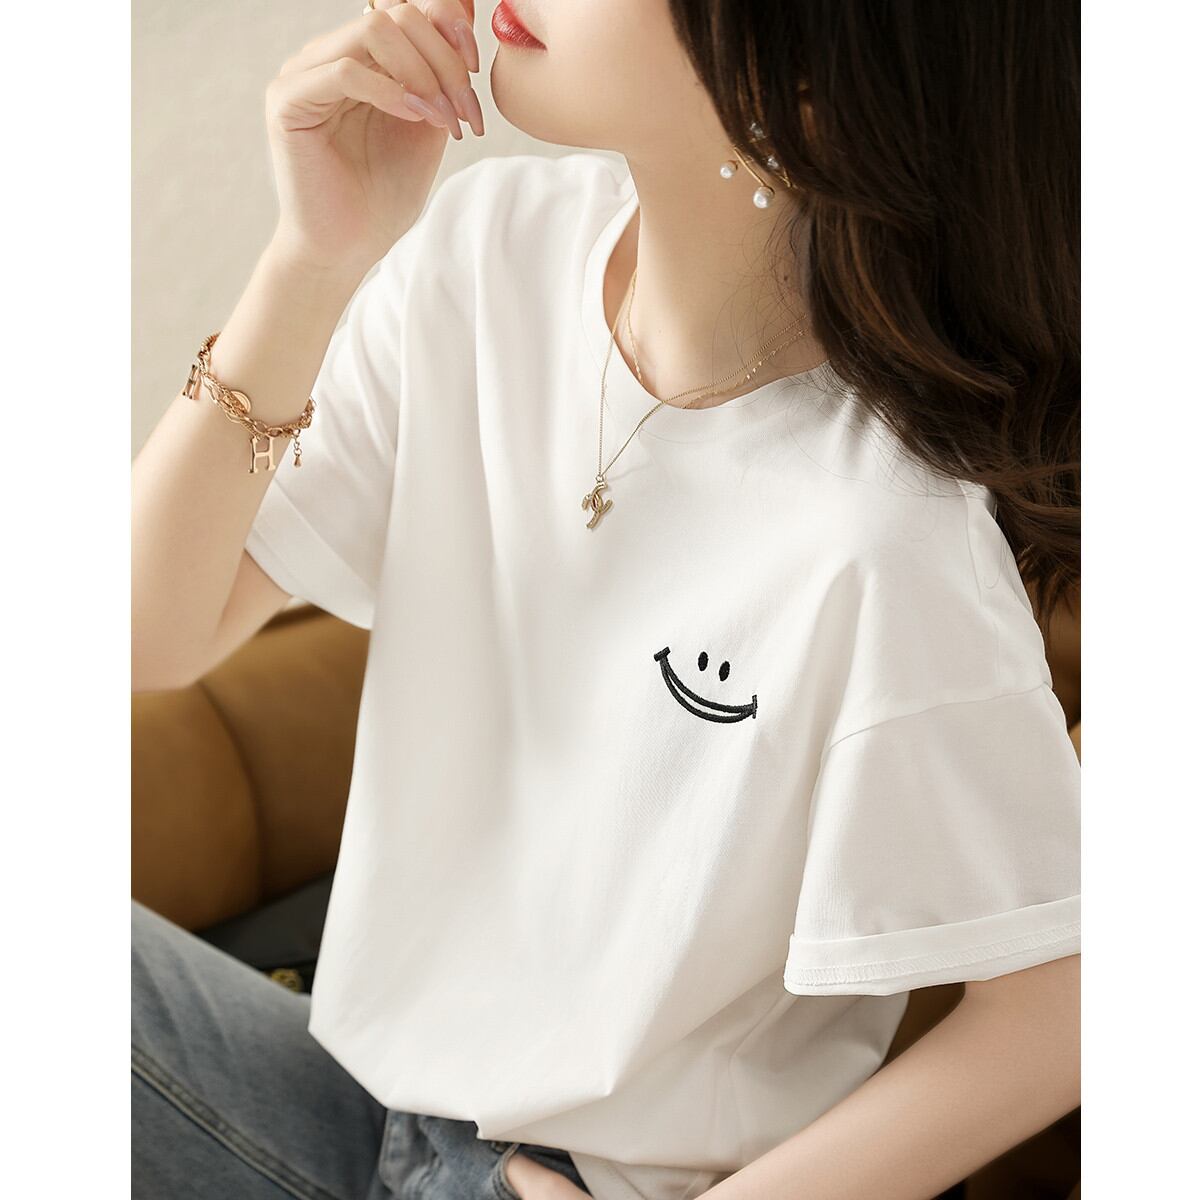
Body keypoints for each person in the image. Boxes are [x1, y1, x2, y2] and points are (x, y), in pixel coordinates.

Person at [131, 2, 1081, 1199]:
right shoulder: (486, 250)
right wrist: (311, 258)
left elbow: (1064, 1006)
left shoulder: (882, 531)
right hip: (360, 1097)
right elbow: (143, 637)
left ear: (806, 76)